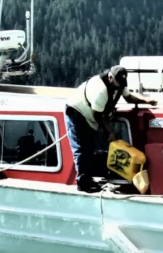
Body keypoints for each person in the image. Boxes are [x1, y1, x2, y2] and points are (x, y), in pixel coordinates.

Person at [65, 64, 158, 192]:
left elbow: (129, 97)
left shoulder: (119, 83)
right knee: (82, 148)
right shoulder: (100, 90)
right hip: (77, 113)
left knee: (90, 147)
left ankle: (89, 177)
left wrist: (147, 100)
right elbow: (98, 115)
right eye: (118, 83)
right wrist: (110, 132)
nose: (120, 86)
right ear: (110, 78)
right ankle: (83, 183)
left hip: (91, 114)